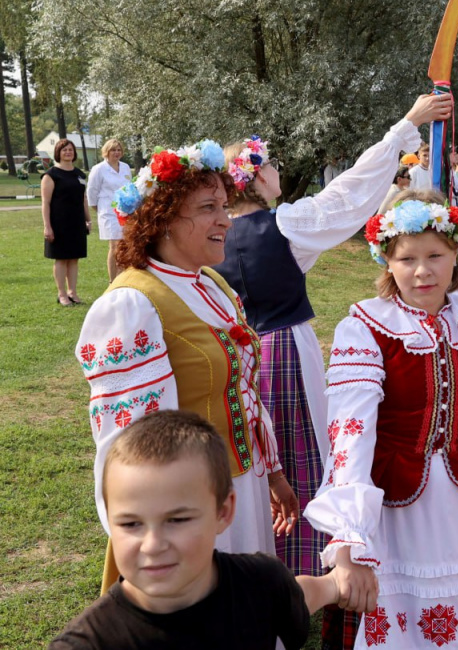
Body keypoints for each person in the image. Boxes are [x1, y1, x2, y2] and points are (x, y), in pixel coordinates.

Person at [213, 93, 452, 580]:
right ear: (257, 176)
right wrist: (404, 127)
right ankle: (304, 567)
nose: (278, 170)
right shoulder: (283, 224)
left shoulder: (210, 235)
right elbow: (349, 195)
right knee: (302, 456)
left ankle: (250, 560)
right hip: (283, 349)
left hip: (232, 358)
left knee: (253, 453)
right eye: (272, 164)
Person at [76, 140, 299, 592]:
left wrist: (272, 471)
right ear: (163, 221)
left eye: (224, 204)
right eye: (208, 208)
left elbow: (245, 392)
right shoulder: (132, 304)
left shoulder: (213, 285)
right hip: (189, 506)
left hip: (244, 487)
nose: (225, 218)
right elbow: (129, 445)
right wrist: (155, 534)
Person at [304, 190, 458, 649]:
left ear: (456, 252)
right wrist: (350, 537)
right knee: (404, 618)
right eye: (407, 259)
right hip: (397, 505)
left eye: (435, 255)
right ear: (386, 260)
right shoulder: (365, 326)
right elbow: (350, 433)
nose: (422, 270)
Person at [49, 410, 348, 650]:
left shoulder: (262, 582)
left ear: (223, 511)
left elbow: (295, 596)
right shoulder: (88, 642)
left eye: (177, 520)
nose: (152, 545)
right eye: (130, 524)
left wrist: (336, 584)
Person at [42, 138, 90, 306]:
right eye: (64, 150)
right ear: (58, 153)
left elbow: (83, 198)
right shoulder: (51, 175)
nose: (68, 152)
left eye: (70, 149)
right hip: (58, 223)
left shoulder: (79, 174)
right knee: (61, 259)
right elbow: (45, 203)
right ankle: (62, 294)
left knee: (74, 258)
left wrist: (88, 220)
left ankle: (73, 292)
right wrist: (47, 226)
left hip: (76, 222)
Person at [87, 138, 133, 283]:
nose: (116, 152)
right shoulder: (99, 169)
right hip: (108, 211)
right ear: (106, 152)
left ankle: (123, 278)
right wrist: (98, 208)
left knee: (125, 245)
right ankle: (113, 281)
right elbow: (91, 192)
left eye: (119, 150)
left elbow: (130, 188)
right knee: (115, 245)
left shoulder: (125, 167)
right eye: (113, 150)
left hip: (125, 211)